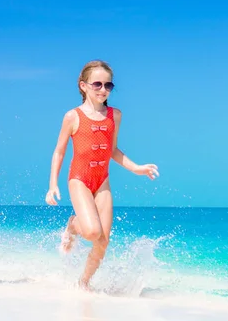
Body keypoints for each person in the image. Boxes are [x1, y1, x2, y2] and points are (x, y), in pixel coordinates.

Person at [45, 60, 159, 290]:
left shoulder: (114, 116)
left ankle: (84, 282)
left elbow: (113, 150)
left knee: (102, 242)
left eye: (108, 85)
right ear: (83, 86)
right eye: (97, 84)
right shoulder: (73, 116)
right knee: (92, 231)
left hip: (102, 182)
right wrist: (52, 184)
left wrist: (136, 168)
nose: (103, 90)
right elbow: (59, 151)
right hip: (79, 179)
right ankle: (73, 225)